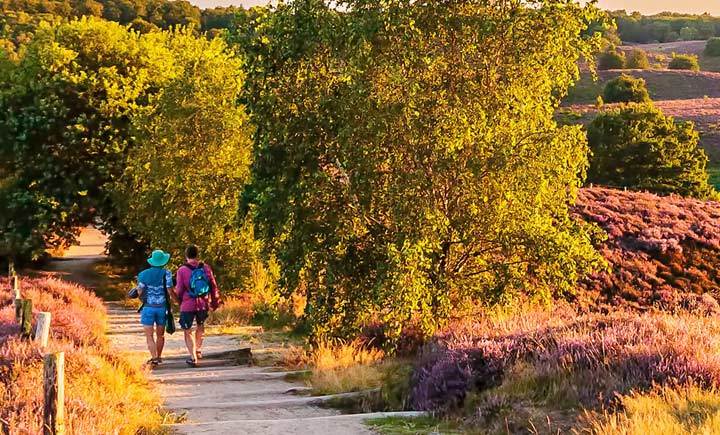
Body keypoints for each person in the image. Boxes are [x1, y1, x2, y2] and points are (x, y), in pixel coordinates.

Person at [175, 245, 222, 367]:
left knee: (187, 330)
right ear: (197, 254)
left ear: (186, 255)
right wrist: (215, 302)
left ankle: (193, 357)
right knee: (200, 326)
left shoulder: (182, 270)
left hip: (187, 304)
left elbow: (179, 289)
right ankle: (198, 349)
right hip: (202, 303)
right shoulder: (205, 268)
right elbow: (213, 285)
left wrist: (178, 301)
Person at [136, 249, 174, 367]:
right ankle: (159, 356)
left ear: (152, 261)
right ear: (163, 262)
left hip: (148, 308)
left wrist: (140, 296)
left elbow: (139, 291)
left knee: (149, 335)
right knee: (160, 335)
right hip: (162, 308)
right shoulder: (167, 273)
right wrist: (177, 301)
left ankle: (154, 358)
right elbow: (170, 290)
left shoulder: (143, 274)